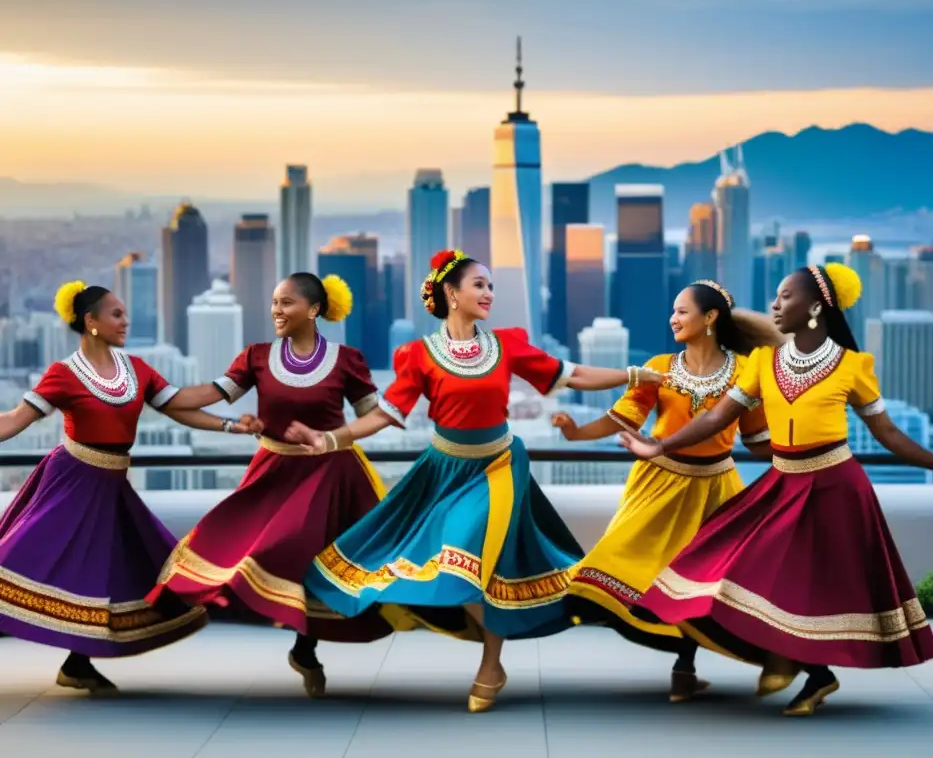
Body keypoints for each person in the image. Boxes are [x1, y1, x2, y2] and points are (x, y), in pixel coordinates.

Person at [284, 249, 666, 713]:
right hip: (443, 471)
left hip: (501, 468)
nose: (488, 294)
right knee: (388, 558)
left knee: (475, 552)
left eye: (490, 286)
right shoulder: (418, 355)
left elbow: (574, 374)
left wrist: (634, 374)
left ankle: (491, 664)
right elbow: (386, 413)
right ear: (451, 292)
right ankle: (312, 641)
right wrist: (331, 439)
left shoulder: (506, 344)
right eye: (479, 285)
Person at [621, 263, 933, 717]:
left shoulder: (853, 367)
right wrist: (658, 446)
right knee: (738, 571)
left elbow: (889, 434)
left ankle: (809, 672)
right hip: (782, 484)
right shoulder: (762, 364)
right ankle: (805, 670)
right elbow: (717, 419)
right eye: (775, 296)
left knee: (814, 589)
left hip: (837, 489)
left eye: (785, 297)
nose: (774, 305)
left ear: (815, 308)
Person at [0, 282, 261, 693]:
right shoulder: (63, 374)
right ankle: (79, 663)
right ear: (91, 323)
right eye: (116, 314)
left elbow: (180, 406)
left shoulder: (137, 369)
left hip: (111, 486)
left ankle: (78, 664)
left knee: (110, 574)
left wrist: (232, 422)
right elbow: (14, 421)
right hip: (71, 482)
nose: (126, 320)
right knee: (28, 560)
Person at [147, 272, 397, 698]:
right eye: (274, 302)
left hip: (331, 476)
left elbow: (374, 416)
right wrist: (155, 393)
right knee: (240, 549)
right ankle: (164, 613)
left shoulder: (346, 360)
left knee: (313, 560)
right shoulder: (257, 358)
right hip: (274, 473)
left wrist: (331, 439)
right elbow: (209, 394)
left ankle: (305, 648)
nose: (276, 311)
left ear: (314, 310)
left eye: (286, 303)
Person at [552, 279, 782, 702]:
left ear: (710, 318)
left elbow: (756, 439)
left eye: (682, 311)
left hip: (716, 491)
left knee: (698, 583)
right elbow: (623, 420)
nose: (673, 319)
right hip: (657, 485)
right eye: (673, 311)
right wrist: (576, 433)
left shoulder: (746, 372)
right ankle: (665, 652)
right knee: (610, 568)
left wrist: (804, 453)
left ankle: (684, 668)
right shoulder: (659, 367)